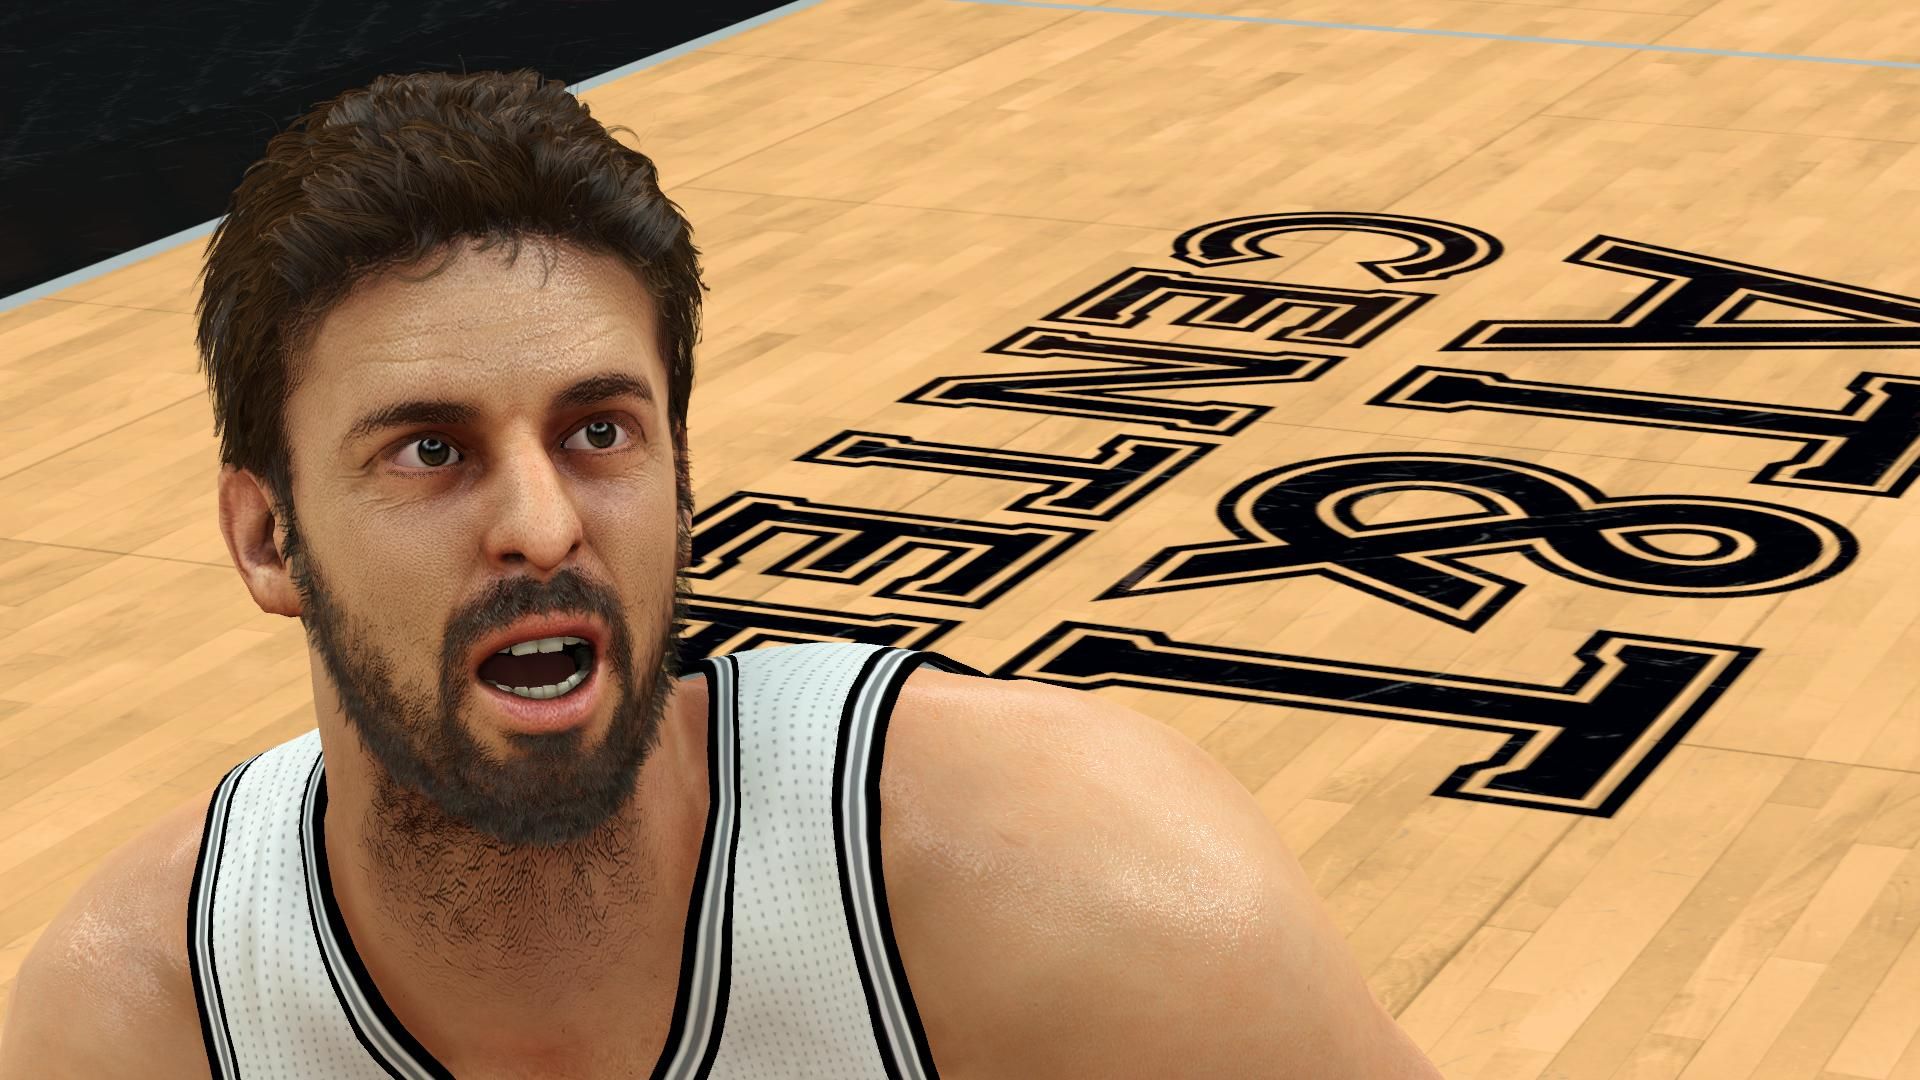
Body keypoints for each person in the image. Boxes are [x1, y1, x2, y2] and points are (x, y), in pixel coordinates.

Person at [0, 69, 1444, 1079]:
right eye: (431, 451)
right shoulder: (132, 1024)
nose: (542, 526)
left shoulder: (1081, 887)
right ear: (269, 539)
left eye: (598, 432)